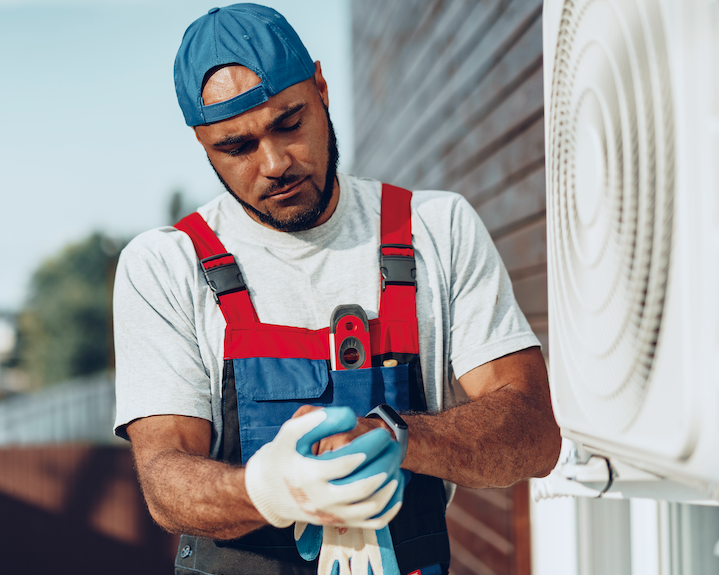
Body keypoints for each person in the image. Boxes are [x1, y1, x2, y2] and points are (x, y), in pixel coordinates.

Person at [113, 4, 561, 575]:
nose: (275, 163)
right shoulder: (166, 266)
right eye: (237, 147)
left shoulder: (436, 229)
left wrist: (397, 437)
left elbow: (533, 434)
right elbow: (165, 481)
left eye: (289, 123)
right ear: (202, 144)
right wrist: (276, 489)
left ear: (321, 89)